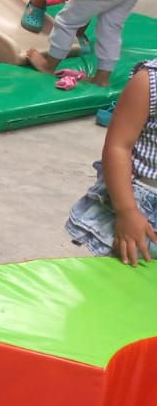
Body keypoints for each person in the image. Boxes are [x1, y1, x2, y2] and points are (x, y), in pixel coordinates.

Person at [65, 58, 157, 265]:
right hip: (144, 205)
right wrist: (127, 211)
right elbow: (118, 147)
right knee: (130, 271)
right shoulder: (149, 81)